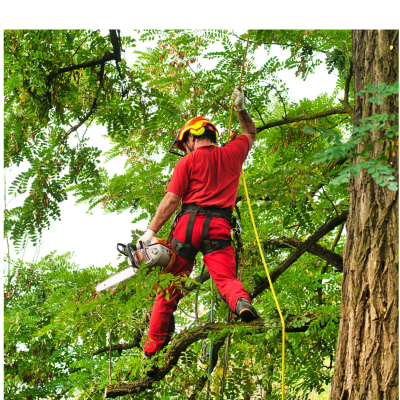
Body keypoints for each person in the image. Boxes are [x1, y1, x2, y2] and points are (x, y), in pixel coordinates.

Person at [137, 88, 260, 365]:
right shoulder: (232, 153)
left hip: (188, 226)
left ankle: (151, 349)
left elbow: (171, 200)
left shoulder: (187, 161)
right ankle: (241, 303)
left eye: (185, 143)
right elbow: (250, 133)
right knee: (226, 279)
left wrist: (150, 233)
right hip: (218, 226)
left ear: (191, 137)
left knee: (169, 290)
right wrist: (241, 109)